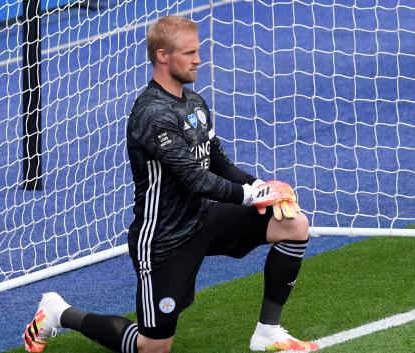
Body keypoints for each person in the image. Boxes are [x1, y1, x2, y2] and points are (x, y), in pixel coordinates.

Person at [22, 15, 319, 353]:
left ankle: (268, 331)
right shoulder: (151, 114)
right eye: (189, 53)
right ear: (162, 56)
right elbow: (194, 178)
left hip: (203, 218)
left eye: (197, 51)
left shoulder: (194, 103)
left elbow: (217, 162)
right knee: (153, 347)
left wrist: (263, 186)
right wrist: (252, 195)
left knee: (293, 223)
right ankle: (59, 312)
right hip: (164, 238)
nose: (198, 60)